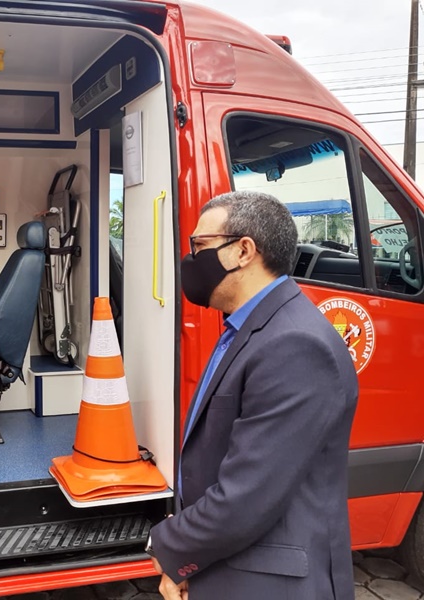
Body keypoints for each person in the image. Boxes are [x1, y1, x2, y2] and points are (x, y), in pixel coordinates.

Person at [147, 190, 358, 600]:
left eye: (200, 247)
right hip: (230, 568)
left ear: (243, 251)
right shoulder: (248, 327)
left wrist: (172, 549)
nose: (190, 261)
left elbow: (246, 497)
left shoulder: (294, 344)